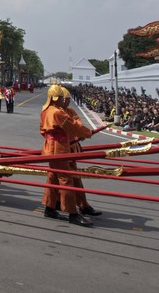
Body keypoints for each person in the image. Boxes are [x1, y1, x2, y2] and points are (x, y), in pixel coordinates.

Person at [39, 84, 99, 227]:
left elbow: (42, 131)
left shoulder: (45, 111)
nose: (63, 101)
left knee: (53, 177)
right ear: (56, 98)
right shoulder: (58, 113)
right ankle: (72, 213)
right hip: (59, 148)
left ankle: (49, 207)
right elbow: (73, 126)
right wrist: (87, 133)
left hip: (50, 146)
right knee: (66, 179)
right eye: (61, 98)